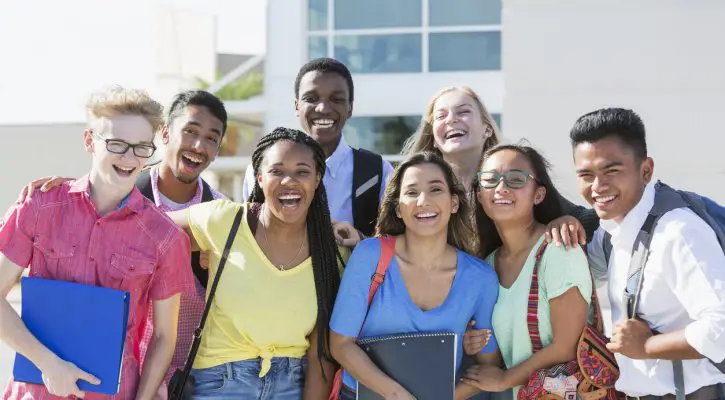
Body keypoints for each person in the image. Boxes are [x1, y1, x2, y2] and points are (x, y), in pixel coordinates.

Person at [15, 90, 230, 394]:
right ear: (165, 134)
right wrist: (59, 194)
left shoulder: (220, 217)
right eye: (191, 131)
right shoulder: (94, 193)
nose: (199, 145)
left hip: (174, 378)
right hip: (53, 380)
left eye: (211, 138)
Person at [165, 127, 345, 399]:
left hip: (291, 386)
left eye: (302, 172)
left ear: (317, 179)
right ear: (259, 178)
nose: (289, 181)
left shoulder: (329, 255)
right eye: (277, 171)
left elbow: (321, 357)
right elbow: (147, 235)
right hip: (218, 383)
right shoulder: (223, 220)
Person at [574, 108, 725, 398]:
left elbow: (721, 327)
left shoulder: (678, 231)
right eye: (586, 175)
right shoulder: (612, 231)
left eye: (611, 171)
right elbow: (581, 270)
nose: (597, 186)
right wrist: (563, 222)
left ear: (646, 170)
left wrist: (646, 347)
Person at [329, 151, 500, 400]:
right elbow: (340, 345)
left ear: (454, 203)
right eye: (411, 192)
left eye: (435, 190)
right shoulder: (369, 255)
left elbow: (488, 367)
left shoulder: (481, 278)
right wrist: (398, 396)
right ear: (398, 209)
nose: (423, 201)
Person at [460, 144, 592, 399]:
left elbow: (567, 346)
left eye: (516, 179)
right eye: (490, 180)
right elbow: (501, 354)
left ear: (538, 195)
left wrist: (505, 379)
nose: (501, 187)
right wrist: (474, 342)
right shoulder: (486, 265)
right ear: (478, 194)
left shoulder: (559, 250)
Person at [401, 86, 600, 248]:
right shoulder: (416, 190)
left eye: (463, 112)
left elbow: (589, 220)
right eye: (440, 116)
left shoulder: (515, 179)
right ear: (434, 138)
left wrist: (566, 221)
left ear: (487, 128)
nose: (451, 119)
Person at [241, 58, 394, 237]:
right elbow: (249, 236)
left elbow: (396, 243)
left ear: (350, 108)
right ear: (297, 106)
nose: (323, 108)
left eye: (336, 99)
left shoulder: (377, 171)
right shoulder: (261, 169)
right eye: (311, 99)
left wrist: (360, 240)